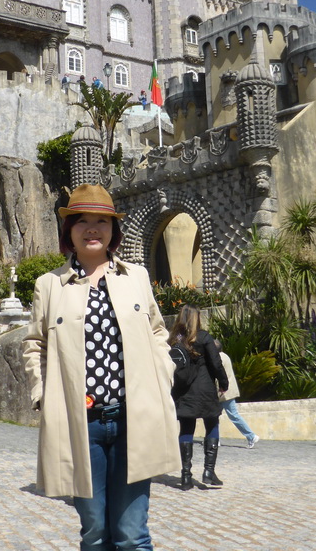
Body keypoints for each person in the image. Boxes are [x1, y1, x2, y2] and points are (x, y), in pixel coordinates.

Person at [22, 183, 179, 550]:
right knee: (94, 533)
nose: (92, 228)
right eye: (83, 221)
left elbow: (158, 331)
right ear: (69, 231)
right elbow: (35, 345)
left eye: (102, 221)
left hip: (132, 420)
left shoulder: (136, 277)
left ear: (113, 230)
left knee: (132, 534)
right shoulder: (49, 285)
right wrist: (44, 396)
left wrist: (163, 373)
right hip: (82, 425)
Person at [168, 304, 228, 490]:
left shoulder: (175, 339)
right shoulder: (203, 337)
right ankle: (209, 471)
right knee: (212, 424)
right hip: (205, 389)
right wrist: (224, 383)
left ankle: (185, 476)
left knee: (186, 428)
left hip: (183, 390)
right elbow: (216, 363)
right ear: (197, 318)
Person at [216, 339, 259, 448]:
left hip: (223, 393)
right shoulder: (225, 356)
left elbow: (217, 376)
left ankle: (251, 436)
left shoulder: (218, 358)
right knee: (223, 416)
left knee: (229, 415)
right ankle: (215, 439)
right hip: (227, 392)